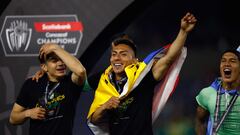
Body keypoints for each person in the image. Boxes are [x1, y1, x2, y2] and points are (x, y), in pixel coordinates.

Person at [87, 12, 197, 135]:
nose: (117, 58)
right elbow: (94, 119)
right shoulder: (105, 82)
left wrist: (183, 31)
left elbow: (169, 58)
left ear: (135, 60)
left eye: (123, 54)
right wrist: (104, 106)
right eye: (114, 54)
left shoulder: (144, 76)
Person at [9, 43, 87, 135]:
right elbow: (13, 118)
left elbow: (81, 71)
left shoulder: (71, 82)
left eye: (61, 59)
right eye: (54, 61)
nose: (60, 63)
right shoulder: (32, 84)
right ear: (44, 67)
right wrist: (28, 113)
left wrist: (55, 47)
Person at [195, 49, 240, 135]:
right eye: (223, 61)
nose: (227, 64)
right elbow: (199, 121)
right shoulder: (207, 93)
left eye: (232, 61)